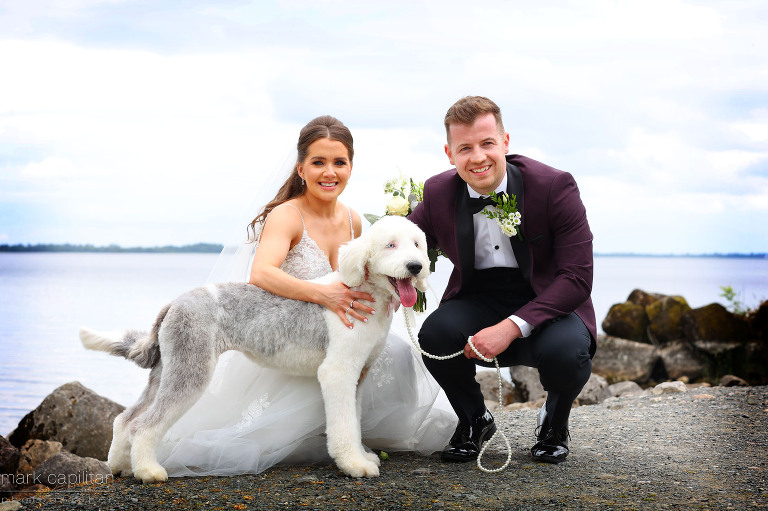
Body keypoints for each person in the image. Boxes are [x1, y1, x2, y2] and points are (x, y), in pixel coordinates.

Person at [153, 115, 455, 476]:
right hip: (284, 333)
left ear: (350, 168)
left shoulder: (354, 221)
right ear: (301, 168)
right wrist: (324, 295)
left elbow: (363, 274)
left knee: (396, 354)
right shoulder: (287, 215)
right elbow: (261, 274)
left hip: (337, 334)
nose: (329, 172)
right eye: (318, 162)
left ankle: (349, 438)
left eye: (339, 162)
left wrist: (391, 288)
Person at [408, 96, 596, 464]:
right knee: (433, 336)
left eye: (487, 144)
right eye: (465, 148)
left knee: (569, 354)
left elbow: (576, 277)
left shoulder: (554, 186)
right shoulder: (437, 193)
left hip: (547, 299)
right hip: (478, 297)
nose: (477, 157)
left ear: (505, 142)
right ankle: (475, 419)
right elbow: (400, 243)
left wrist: (510, 327)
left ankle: (554, 420)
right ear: (450, 153)